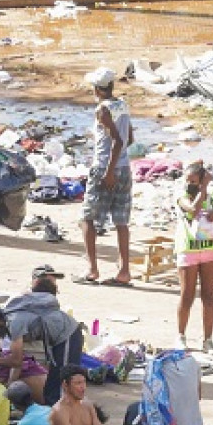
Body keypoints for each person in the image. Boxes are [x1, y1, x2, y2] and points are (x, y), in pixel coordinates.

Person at [80, 68, 133, 286]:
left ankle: (92, 270)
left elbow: (118, 141)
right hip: (124, 168)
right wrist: (118, 165)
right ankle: (124, 272)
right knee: (121, 221)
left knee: (87, 219)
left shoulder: (102, 110)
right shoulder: (122, 105)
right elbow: (129, 138)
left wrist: (109, 171)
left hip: (104, 168)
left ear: (98, 90)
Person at [174, 160, 213, 354]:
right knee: (187, 295)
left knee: (209, 296)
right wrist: (202, 189)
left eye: (194, 180)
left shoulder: (212, 194)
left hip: (209, 249)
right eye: (188, 180)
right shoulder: (181, 195)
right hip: (188, 250)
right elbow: (192, 210)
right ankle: (180, 336)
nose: (190, 184)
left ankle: (208, 339)